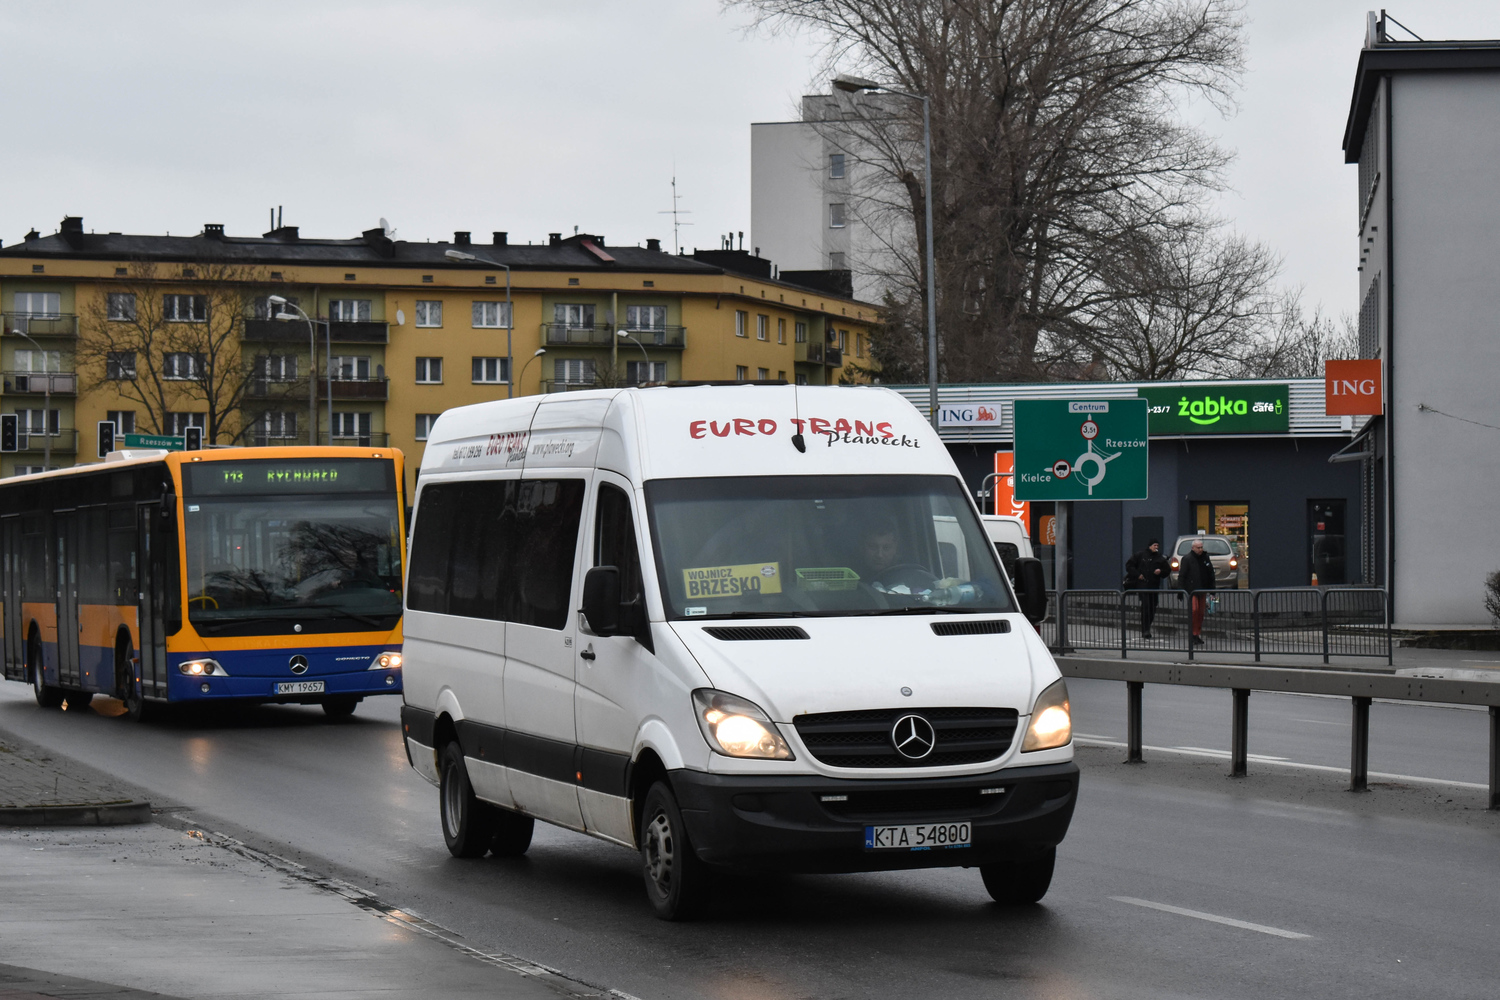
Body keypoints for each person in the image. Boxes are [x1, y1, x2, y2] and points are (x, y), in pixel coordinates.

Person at [1124, 539, 1170, 639]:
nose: (1156, 547)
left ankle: (1147, 626)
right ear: (1150, 546)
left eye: (1157, 545)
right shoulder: (1140, 555)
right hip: (1143, 586)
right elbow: (1129, 566)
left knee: (1152, 608)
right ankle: (1145, 630)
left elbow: (1167, 570)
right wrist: (1137, 575)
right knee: (1146, 606)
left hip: (1154, 586)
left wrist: (1160, 571)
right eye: (1154, 545)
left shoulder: (1160, 558)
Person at [1178, 537, 1217, 645]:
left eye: (1201, 547)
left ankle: (1197, 633)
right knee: (1194, 611)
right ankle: (1193, 634)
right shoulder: (1187, 559)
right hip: (1192, 590)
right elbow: (1182, 576)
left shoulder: (1205, 558)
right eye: (1198, 548)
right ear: (1193, 548)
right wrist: (1181, 590)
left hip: (1202, 589)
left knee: (1200, 613)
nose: (1200, 549)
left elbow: (1211, 574)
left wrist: (1212, 590)